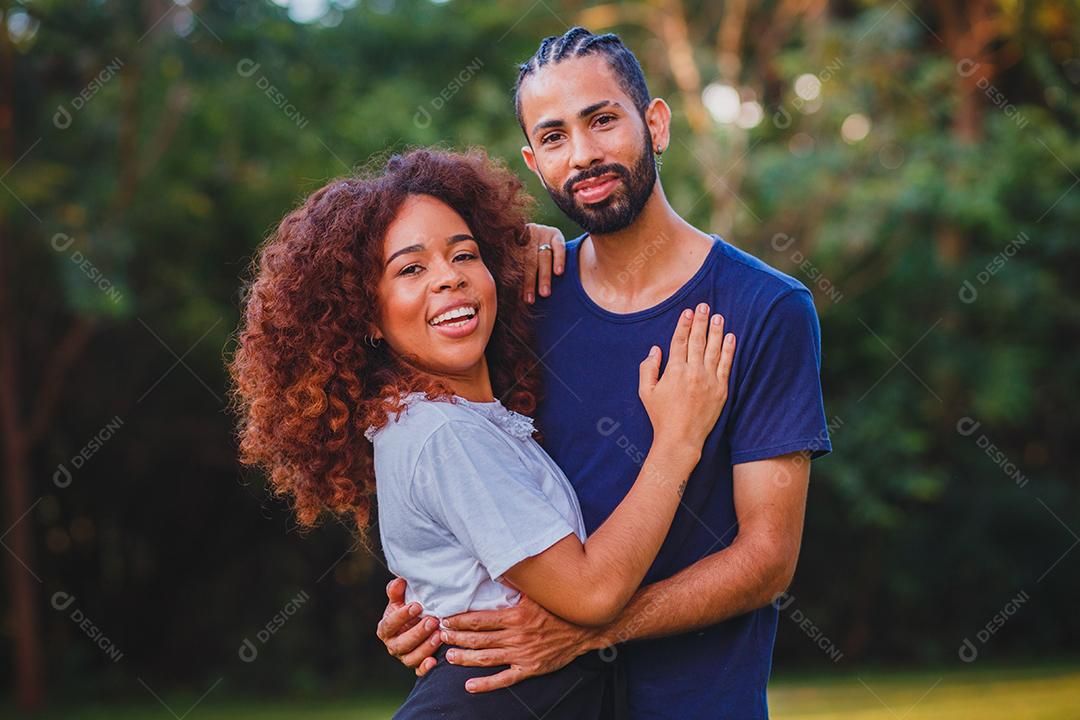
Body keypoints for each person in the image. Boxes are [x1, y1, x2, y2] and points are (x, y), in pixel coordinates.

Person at [377, 28, 833, 719]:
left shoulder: (765, 308)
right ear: (533, 162)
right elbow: (471, 484)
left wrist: (594, 629)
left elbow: (768, 557)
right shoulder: (519, 300)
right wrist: (433, 607)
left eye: (602, 120)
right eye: (555, 137)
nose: (584, 155)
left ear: (655, 123)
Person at [228, 146, 736, 718]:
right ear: (366, 314)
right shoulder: (440, 434)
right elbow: (592, 593)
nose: (449, 279)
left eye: (465, 255)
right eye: (411, 269)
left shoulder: (463, 422)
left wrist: (534, 240)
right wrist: (678, 439)